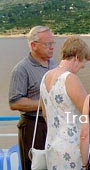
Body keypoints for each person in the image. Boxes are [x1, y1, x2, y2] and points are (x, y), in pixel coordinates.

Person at [8, 26, 56, 170]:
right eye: (47, 44)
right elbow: (14, 102)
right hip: (32, 127)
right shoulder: (21, 69)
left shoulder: (54, 64)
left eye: (53, 43)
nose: (52, 47)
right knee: (33, 166)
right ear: (33, 45)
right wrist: (45, 104)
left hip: (53, 126)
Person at [40, 36, 90, 169]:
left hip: (52, 144)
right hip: (72, 147)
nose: (81, 68)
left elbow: (45, 113)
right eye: (82, 64)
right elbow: (88, 111)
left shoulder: (45, 77)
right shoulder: (70, 79)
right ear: (76, 57)